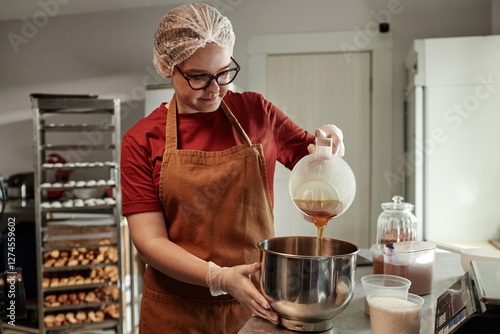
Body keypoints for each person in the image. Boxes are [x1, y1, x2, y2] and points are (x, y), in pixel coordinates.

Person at [120, 3, 345, 333]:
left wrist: (329, 143)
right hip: (176, 314)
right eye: (199, 77)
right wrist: (219, 277)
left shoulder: (257, 113)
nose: (215, 89)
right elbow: (149, 242)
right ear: (168, 66)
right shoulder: (141, 139)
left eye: (224, 72)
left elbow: (313, 162)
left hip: (257, 307)